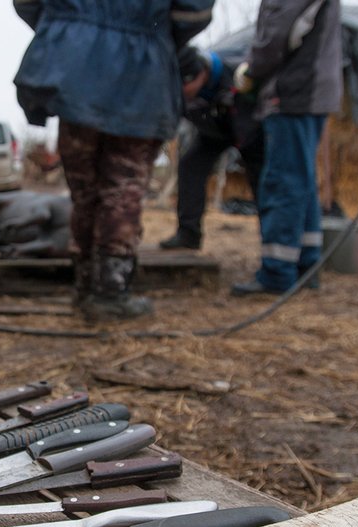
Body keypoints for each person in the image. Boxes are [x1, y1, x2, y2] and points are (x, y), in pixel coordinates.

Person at [13, 0, 214, 321]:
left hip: (74, 70)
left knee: (85, 190)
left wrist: (73, 29)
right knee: (122, 187)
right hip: (139, 73)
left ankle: (85, 284)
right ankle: (109, 291)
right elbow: (195, 11)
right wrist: (148, 29)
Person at [229, 0, 343, 296]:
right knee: (301, 180)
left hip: (292, 90)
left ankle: (277, 273)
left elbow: (278, 33)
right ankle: (306, 266)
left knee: (283, 181)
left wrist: (251, 70)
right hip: (312, 88)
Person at [159, 45, 265, 251]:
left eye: (184, 86)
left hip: (247, 130)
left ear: (201, 74)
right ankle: (188, 235)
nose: (181, 92)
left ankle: (271, 239)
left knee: (260, 176)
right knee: (190, 165)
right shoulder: (180, 90)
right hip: (213, 131)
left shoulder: (235, 74)